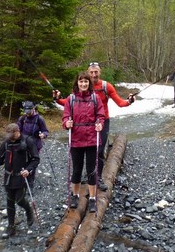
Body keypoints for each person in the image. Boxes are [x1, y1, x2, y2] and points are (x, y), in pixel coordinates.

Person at [54, 62, 135, 191]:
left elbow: (120, 102)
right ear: (87, 73)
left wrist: (129, 101)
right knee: (84, 151)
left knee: (99, 149)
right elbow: (71, 101)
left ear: (99, 72)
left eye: (96, 72)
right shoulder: (83, 85)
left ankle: (98, 178)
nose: (93, 75)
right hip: (85, 123)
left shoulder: (106, 86)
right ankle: (89, 175)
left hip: (102, 121)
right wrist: (58, 99)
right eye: (91, 72)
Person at [62, 71, 105, 213]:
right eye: (81, 81)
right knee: (76, 170)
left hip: (92, 139)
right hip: (76, 139)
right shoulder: (71, 99)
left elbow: (100, 115)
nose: (83, 84)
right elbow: (65, 117)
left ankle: (92, 198)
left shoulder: (95, 98)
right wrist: (66, 123)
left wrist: (100, 123)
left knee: (91, 171)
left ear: (89, 83)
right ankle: (75, 195)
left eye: (86, 81)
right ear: (77, 83)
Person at [0, 123, 40, 237]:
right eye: (9, 136)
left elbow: (35, 159)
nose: (10, 138)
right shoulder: (6, 143)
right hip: (8, 177)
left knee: (19, 200)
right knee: (9, 202)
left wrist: (28, 170)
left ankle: (28, 210)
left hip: (22, 176)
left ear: (18, 132)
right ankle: (11, 226)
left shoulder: (28, 142)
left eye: (12, 135)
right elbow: (1, 159)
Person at [17, 101, 49, 187]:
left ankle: (30, 181)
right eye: (25, 111)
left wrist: (43, 134)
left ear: (33, 109)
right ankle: (22, 178)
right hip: (24, 143)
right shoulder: (22, 118)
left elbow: (45, 131)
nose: (27, 113)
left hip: (35, 144)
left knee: (33, 161)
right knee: (22, 160)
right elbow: (18, 131)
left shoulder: (39, 119)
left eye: (29, 111)